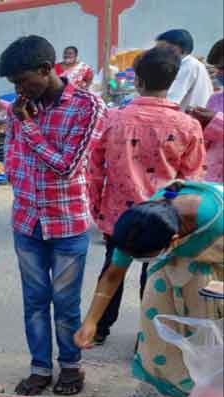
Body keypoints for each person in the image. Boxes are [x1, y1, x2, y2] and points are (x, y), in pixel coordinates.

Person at [0, 35, 105, 396]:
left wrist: (28, 126)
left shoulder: (87, 105)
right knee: (35, 301)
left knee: (66, 303)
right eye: (13, 85)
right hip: (27, 220)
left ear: (46, 70)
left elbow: (67, 167)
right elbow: (11, 154)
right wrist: (17, 167)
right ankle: (40, 367)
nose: (18, 90)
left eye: (22, 81)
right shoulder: (21, 106)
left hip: (67, 223)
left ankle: (71, 367)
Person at [87, 47, 207, 345]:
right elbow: (192, 179)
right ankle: (148, 337)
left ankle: (99, 327)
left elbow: (94, 169)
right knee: (154, 276)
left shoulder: (113, 119)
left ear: (137, 80)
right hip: (163, 218)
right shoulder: (187, 125)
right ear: (172, 79)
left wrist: (96, 208)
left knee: (112, 269)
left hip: (119, 216)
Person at [75, 181, 223, 397]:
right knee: (154, 321)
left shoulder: (216, 218)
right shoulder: (141, 224)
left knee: (204, 330)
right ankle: (158, 387)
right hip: (168, 269)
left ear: (174, 241)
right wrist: (91, 321)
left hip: (212, 268)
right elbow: (114, 273)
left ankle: (205, 395)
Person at [189, 39, 224, 182]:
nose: (219, 73)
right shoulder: (215, 99)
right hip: (213, 180)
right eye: (218, 68)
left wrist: (215, 120)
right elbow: (205, 144)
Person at [156, 29, 214, 111]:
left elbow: (170, 100)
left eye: (161, 48)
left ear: (176, 48)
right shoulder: (190, 64)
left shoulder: (188, 66)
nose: (157, 53)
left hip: (190, 118)